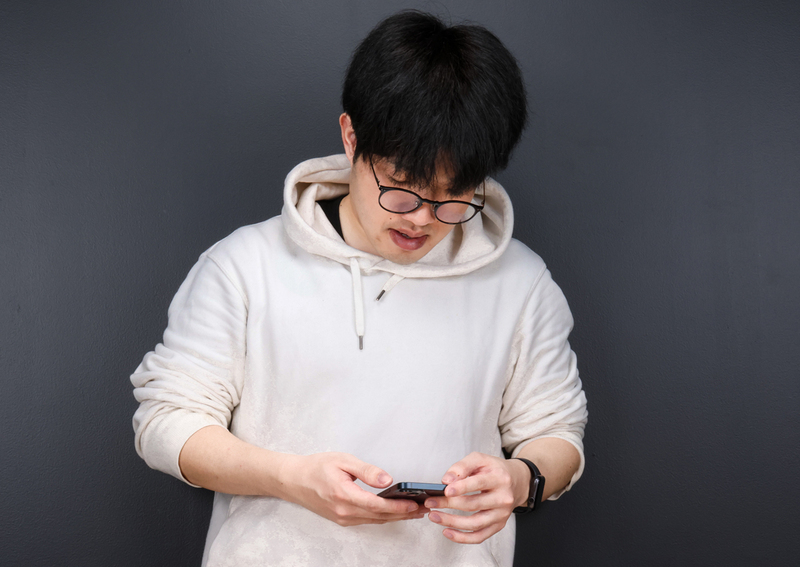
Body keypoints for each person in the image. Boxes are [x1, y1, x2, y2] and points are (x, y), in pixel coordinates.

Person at [131, 10, 587, 567]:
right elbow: (166, 422)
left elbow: (556, 432)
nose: (421, 218)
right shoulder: (244, 265)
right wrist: (291, 478)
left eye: (454, 195)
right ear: (352, 138)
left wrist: (521, 479)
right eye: (401, 186)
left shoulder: (520, 282)